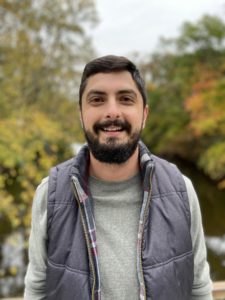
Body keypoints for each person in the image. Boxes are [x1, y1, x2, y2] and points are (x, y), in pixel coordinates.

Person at [24, 55, 213, 300]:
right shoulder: (49, 194)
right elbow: (37, 291)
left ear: (144, 114)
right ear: (81, 114)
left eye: (125, 99)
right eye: (97, 100)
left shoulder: (181, 190)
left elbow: (199, 289)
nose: (112, 112)